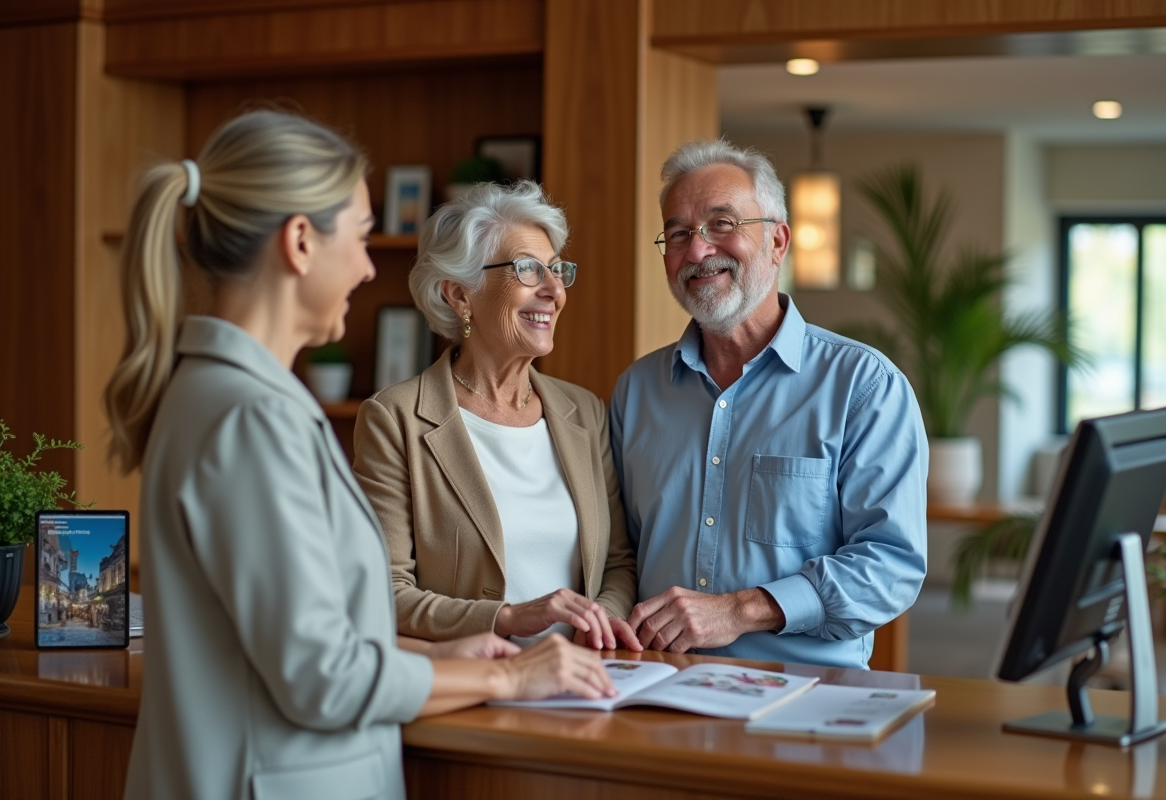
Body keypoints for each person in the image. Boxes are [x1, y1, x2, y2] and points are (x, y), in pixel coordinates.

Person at [104, 110, 614, 800]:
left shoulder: (226, 396)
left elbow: (300, 634)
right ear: (300, 242)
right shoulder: (252, 416)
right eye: (364, 237)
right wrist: (508, 675)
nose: (370, 266)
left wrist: (436, 655)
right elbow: (323, 676)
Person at [611, 139, 928, 669]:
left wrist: (741, 610)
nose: (697, 251)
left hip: (805, 697)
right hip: (656, 690)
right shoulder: (637, 391)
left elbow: (891, 567)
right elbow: (619, 555)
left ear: (778, 241)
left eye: (722, 224)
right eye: (678, 233)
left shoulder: (863, 385)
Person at [353, 181, 641, 651]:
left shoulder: (584, 412)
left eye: (556, 271)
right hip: (475, 689)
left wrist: (599, 622)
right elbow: (383, 591)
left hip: (585, 683)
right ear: (460, 295)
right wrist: (505, 618)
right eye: (529, 270)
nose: (554, 291)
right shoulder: (394, 419)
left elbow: (617, 563)